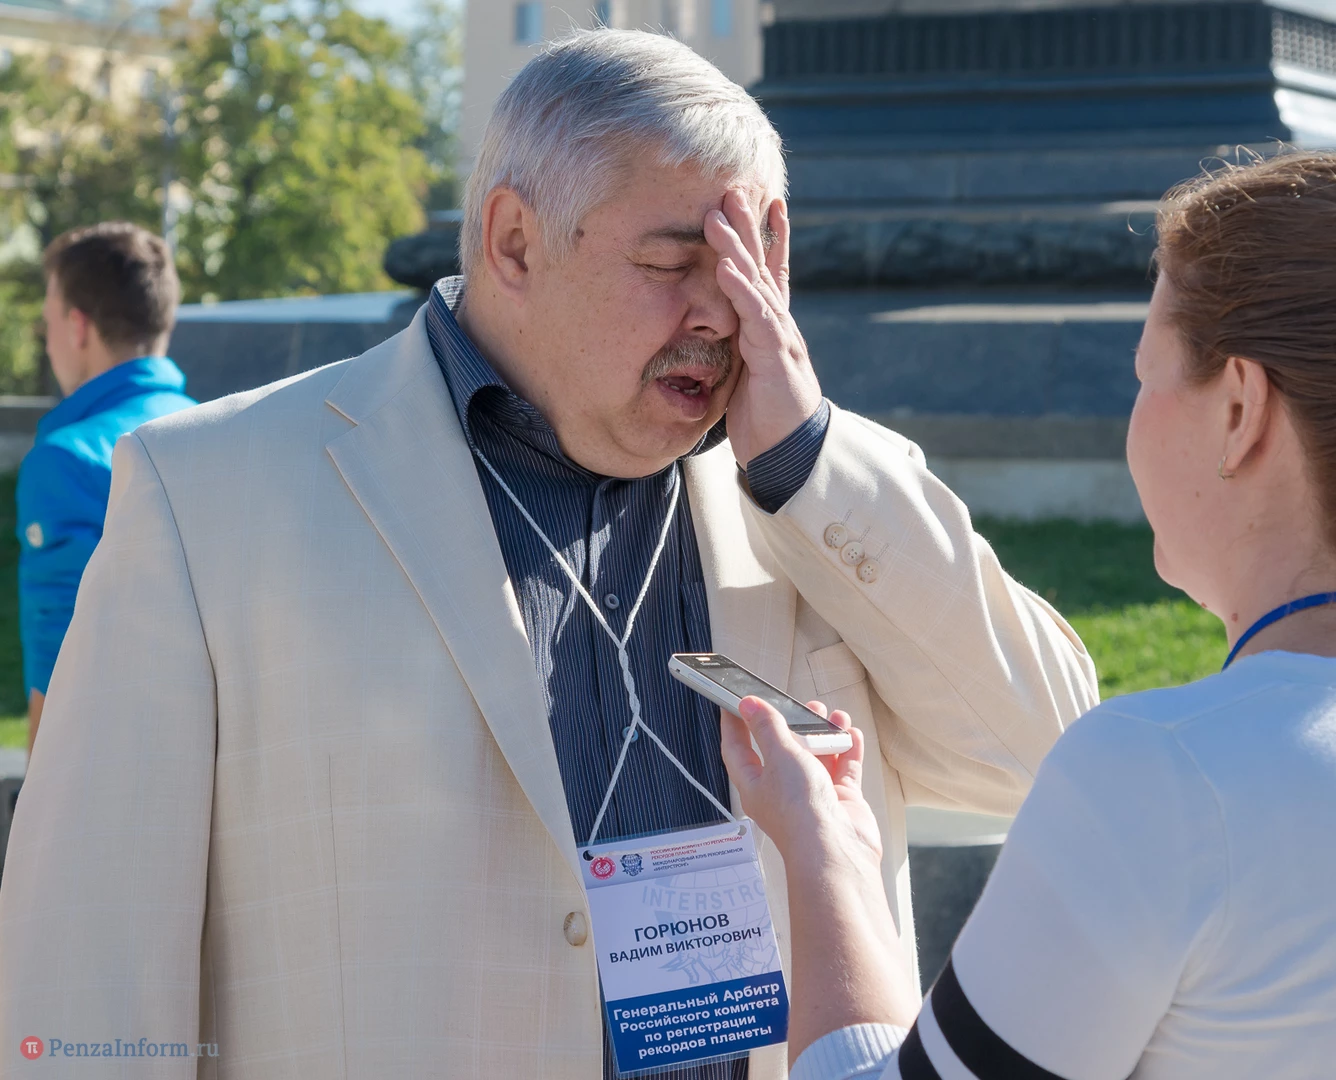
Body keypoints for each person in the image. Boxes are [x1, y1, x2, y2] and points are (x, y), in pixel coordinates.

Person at [0, 29, 1098, 1079]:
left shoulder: (819, 498)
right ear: (514, 242)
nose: (730, 315)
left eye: (757, 267)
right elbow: (86, 971)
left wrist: (809, 463)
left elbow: (1050, 761)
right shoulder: (208, 496)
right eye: (676, 260)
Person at [722, 153, 1336, 1079]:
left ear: (1239, 410)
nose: (1135, 415)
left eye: (1145, 375)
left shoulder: (1158, 777)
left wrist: (827, 854)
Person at [16, 222, 196, 752]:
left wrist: (39, 796)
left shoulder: (65, 461)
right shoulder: (223, 431)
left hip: (118, 768)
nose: (47, 339)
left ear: (77, 327)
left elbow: (60, 667)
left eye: (47, 320)